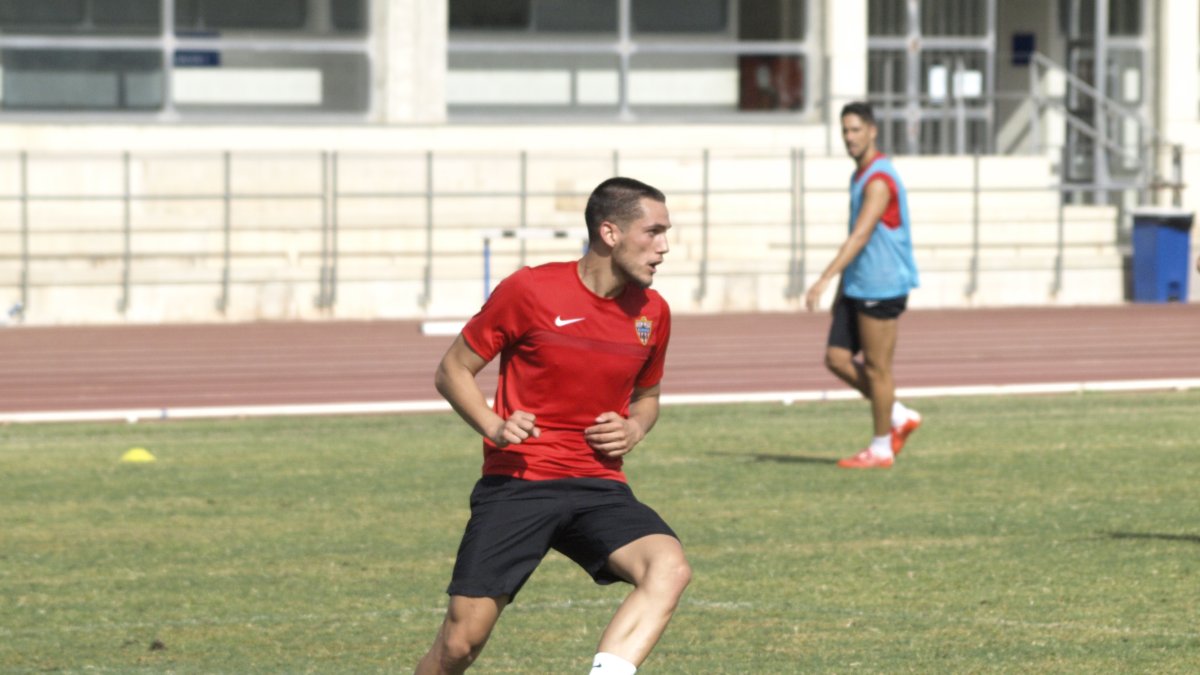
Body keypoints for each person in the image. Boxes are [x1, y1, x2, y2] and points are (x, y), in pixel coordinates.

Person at [415, 177, 691, 675]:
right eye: (653, 232)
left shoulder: (654, 312)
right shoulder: (530, 290)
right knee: (460, 644)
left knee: (669, 568)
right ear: (610, 232)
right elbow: (451, 370)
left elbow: (648, 399)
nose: (664, 247)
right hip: (520, 482)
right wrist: (494, 426)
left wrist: (635, 428)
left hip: (599, 485)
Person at [804, 101, 922, 469]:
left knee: (877, 369)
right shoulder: (860, 174)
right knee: (836, 358)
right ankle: (899, 413)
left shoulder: (878, 180)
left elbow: (859, 236)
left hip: (881, 285)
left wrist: (824, 279)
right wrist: (842, 288)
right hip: (858, 284)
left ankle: (882, 447)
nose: (849, 137)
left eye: (855, 129)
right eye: (845, 131)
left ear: (872, 130)